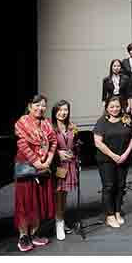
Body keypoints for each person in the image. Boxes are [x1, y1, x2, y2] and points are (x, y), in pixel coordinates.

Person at [13, 94, 57, 252]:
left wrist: (48, 160)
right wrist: (37, 163)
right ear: (30, 106)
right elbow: (22, 145)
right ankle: (23, 237)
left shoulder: (46, 123)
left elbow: (53, 142)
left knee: (38, 201)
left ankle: (34, 233)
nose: (40, 108)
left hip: (43, 167)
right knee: (26, 203)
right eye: (37, 105)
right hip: (27, 168)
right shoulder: (22, 122)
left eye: (43, 105)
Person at [93, 96, 132, 227]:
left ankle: (117, 211)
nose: (115, 109)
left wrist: (125, 154)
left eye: (117, 106)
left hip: (123, 158)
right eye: (111, 107)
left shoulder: (126, 119)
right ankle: (110, 215)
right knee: (109, 186)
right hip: (106, 160)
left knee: (120, 186)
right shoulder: (102, 122)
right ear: (107, 107)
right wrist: (113, 156)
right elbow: (98, 142)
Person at [51, 100, 79, 240]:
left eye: (65, 110)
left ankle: (61, 220)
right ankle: (59, 223)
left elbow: (75, 145)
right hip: (58, 166)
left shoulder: (72, 127)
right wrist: (58, 153)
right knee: (58, 195)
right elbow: (46, 147)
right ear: (55, 112)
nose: (63, 113)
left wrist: (74, 151)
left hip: (70, 164)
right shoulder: (51, 128)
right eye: (60, 110)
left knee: (64, 195)